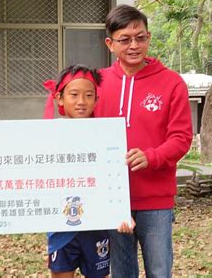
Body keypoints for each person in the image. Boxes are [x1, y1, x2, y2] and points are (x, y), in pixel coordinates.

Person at [94, 5, 192, 277]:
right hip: (112, 198)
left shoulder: (172, 83)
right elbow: (73, 118)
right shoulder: (97, 83)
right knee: (122, 272)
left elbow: (182, 138)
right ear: (110, 43)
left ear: (148, 37)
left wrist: (152, 156)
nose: (134, 45)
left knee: (159, 271)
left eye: (140, 37)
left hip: (156, 200)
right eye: (125, 39)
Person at [43, 64, 134, 278]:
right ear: (60, 98)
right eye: (74, 94)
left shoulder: (107, 136)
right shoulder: (47, 135)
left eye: (88, 95)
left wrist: (122, 212)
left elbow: (114, 177)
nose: (81, 102)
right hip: (61, 228)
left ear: (96, 100)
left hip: (97, 225)